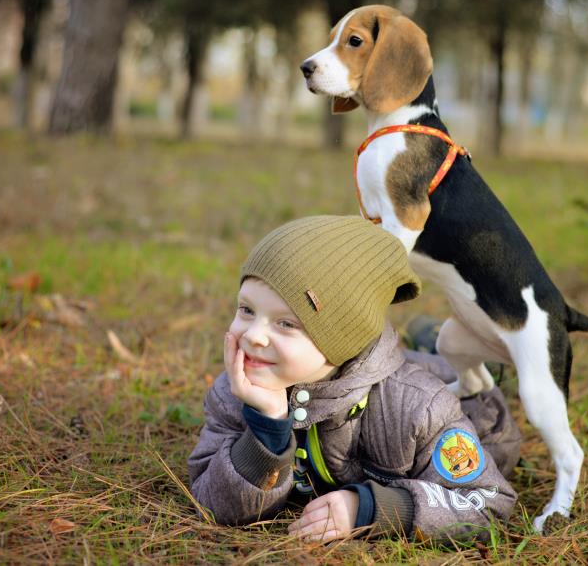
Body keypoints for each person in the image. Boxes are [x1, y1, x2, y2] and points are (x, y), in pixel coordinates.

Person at [188, 215, 521, 542]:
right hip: (371, 370)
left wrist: (380, 509)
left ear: (342, 337)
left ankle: (463, 355)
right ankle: (426, 339)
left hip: (470, 406)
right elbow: (214, 501)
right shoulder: (238, 389)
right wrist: (266, 428)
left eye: (286, 324)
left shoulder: (421, 408)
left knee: (461, 373)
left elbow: (489, 503)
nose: (253, 336)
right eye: (247, 310)